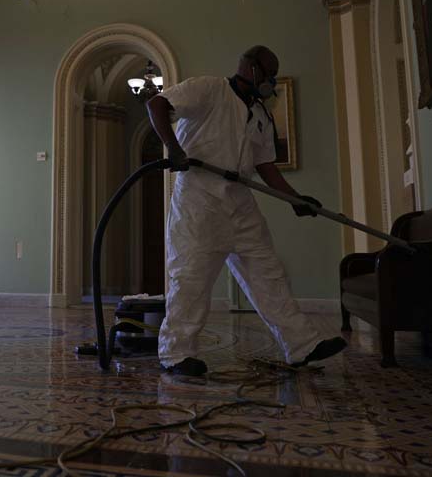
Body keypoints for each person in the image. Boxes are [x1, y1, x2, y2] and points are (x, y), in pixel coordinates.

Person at [146, 45, 346, 376]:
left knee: (268, 273)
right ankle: (176, 354)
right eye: (269, 74)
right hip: (199, 202)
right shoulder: (208, 89)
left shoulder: (261, 116)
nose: (271, 81)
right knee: (191, 278)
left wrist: (297, 200)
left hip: (240, 205)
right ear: (252, 69)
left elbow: (266, 167)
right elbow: (157, 105)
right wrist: (175, 149)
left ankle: (301, 346)